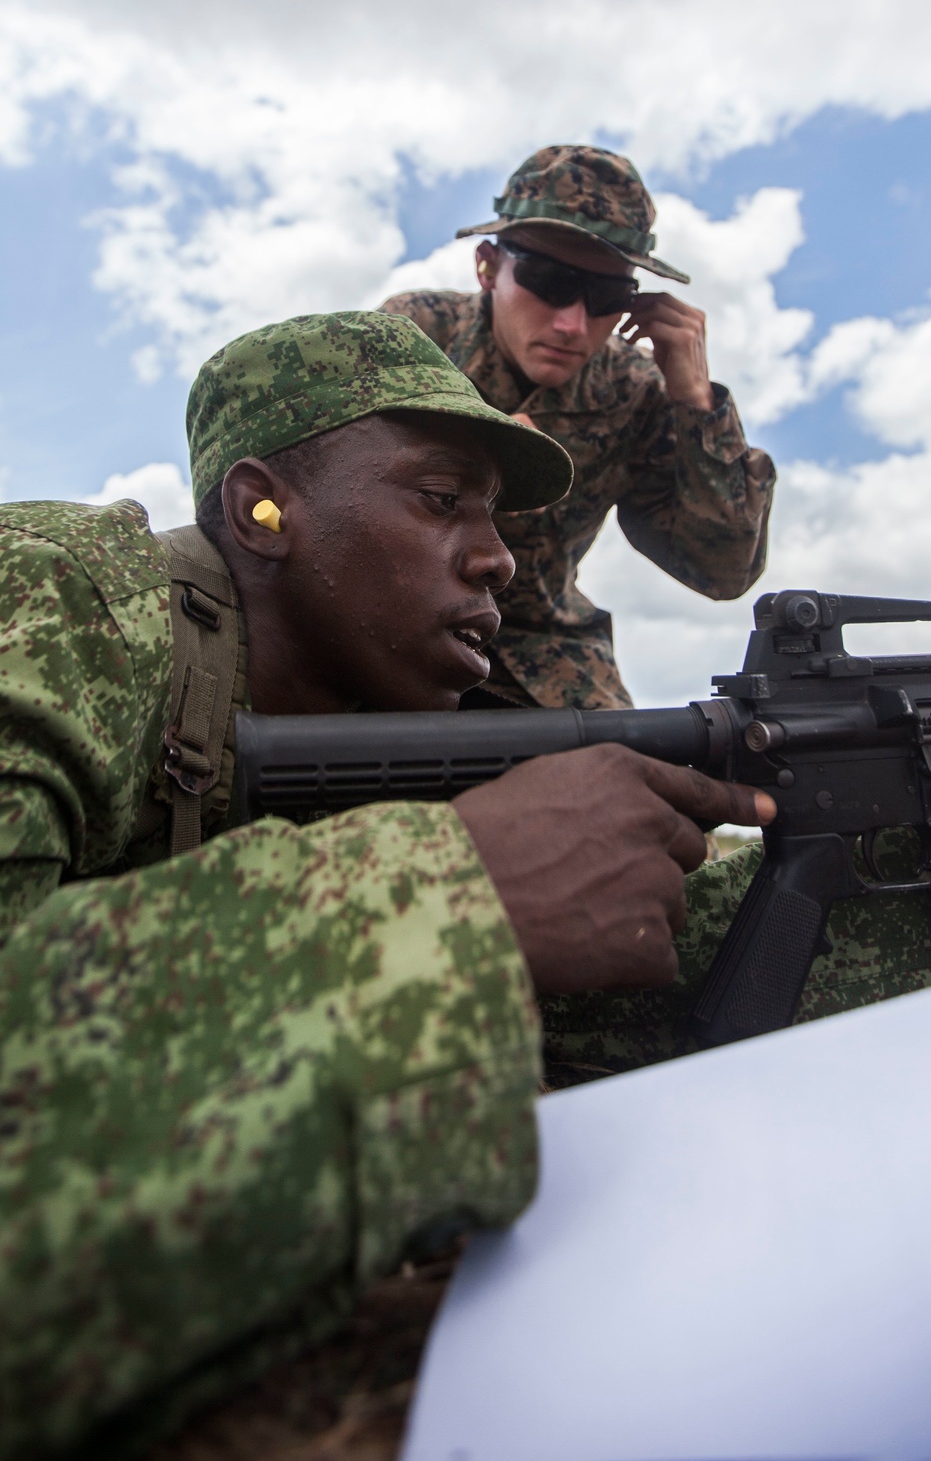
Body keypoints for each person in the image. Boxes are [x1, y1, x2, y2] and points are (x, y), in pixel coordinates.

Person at [0, 310, 773, 1460]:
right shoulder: (60, 601)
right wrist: (454, 896)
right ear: (264, 509)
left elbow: (636, 975)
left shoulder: (364, 734)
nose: (499, 557)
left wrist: (859, 858)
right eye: (437, 499)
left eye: (497, 519)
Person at [381, 143, 776, 711]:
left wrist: (696, 404)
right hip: (394, 624)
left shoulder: (637, 391)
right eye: (548, 279)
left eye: (606, 297)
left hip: (543, 654)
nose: (572, 324)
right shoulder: (415, 335)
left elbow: (724, 570)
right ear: (488, 265)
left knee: (642, 783)